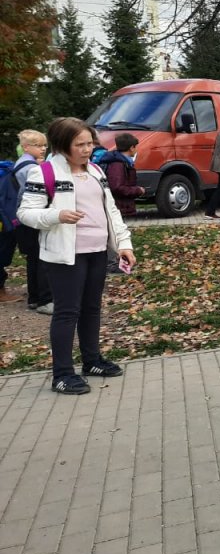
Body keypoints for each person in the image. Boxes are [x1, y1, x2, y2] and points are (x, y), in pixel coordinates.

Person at [17, 117, 136, 395]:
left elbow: (112, 212)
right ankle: (62, 374)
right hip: (64, 255)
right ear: (61, 145)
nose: (86, 149)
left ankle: (92, 361)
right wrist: (56, 215)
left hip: (96, 252)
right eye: (79, 144)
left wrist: (124, 244)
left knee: (92, 308)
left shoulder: (95, 170)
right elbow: (25, 213)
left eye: (89, 143)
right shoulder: (44, 172)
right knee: (67, 312)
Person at [11, 131, 53, 313]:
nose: (43, 149)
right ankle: (43, 298)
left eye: (44, 145)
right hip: (30, 218)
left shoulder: (22, 163)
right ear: (26, 147)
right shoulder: (30, 168)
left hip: (21, 219)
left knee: (33, 258)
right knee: (41, 257)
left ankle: (34, 297)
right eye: (38, 145)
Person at [98, 133, 146, 217]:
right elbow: (117, 187)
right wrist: (138, 190)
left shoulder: (124, 162)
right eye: (135, 147)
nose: (136, 150)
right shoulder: (117, 164)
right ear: (131, 148)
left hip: (122, 207)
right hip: (119, 207)